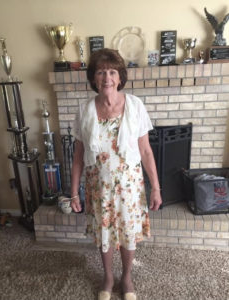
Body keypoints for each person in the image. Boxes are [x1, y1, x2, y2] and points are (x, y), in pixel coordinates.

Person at [70, 48, 162, 300]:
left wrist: (155, 187)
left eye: (112, 72)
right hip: (98, 188)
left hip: (130, 186)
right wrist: (73, 192)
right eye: (100, 72)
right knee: (105, 234)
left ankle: (127, 277)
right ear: (93, 78)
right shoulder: (84, 110)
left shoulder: (135, 105)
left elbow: (145, 150)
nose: (107, 77)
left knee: (129, 232)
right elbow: (78, 156)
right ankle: (108, 277)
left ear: (120, 77)